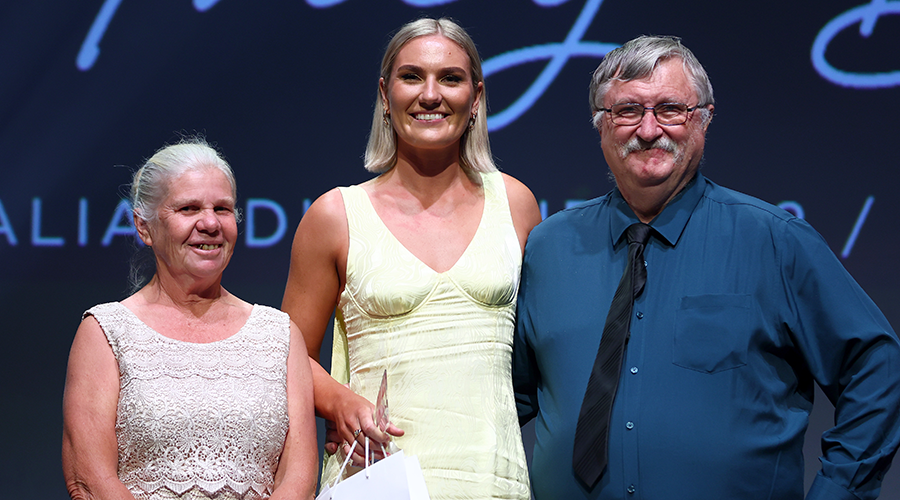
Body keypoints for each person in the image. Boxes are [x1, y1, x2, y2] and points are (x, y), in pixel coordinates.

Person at [513, 35, 900, 500]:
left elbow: (879, 369)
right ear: (601, 125)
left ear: (705, 119)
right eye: (629, 111)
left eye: (671, 109)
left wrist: (840, 492)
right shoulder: (549, 247)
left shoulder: (775, 242)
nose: (650, 129)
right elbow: (505, 394)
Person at [281, 17, 542, 499]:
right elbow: (285, 353)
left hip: (492, 480)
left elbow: (542, 355)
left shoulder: (517, 204)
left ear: (476, 96)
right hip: (378, 476)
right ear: (385, 94)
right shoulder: (336, 215)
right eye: (411, 77)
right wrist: (338, 402)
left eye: (450, 78)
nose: (430, 94)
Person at [62, 138, 318, 500]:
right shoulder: (106, 332)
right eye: (188, 208)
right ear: (143, 227)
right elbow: (91, 479)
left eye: (223, 209)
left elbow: (299, 479)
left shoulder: (279, 335)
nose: (210, 223)